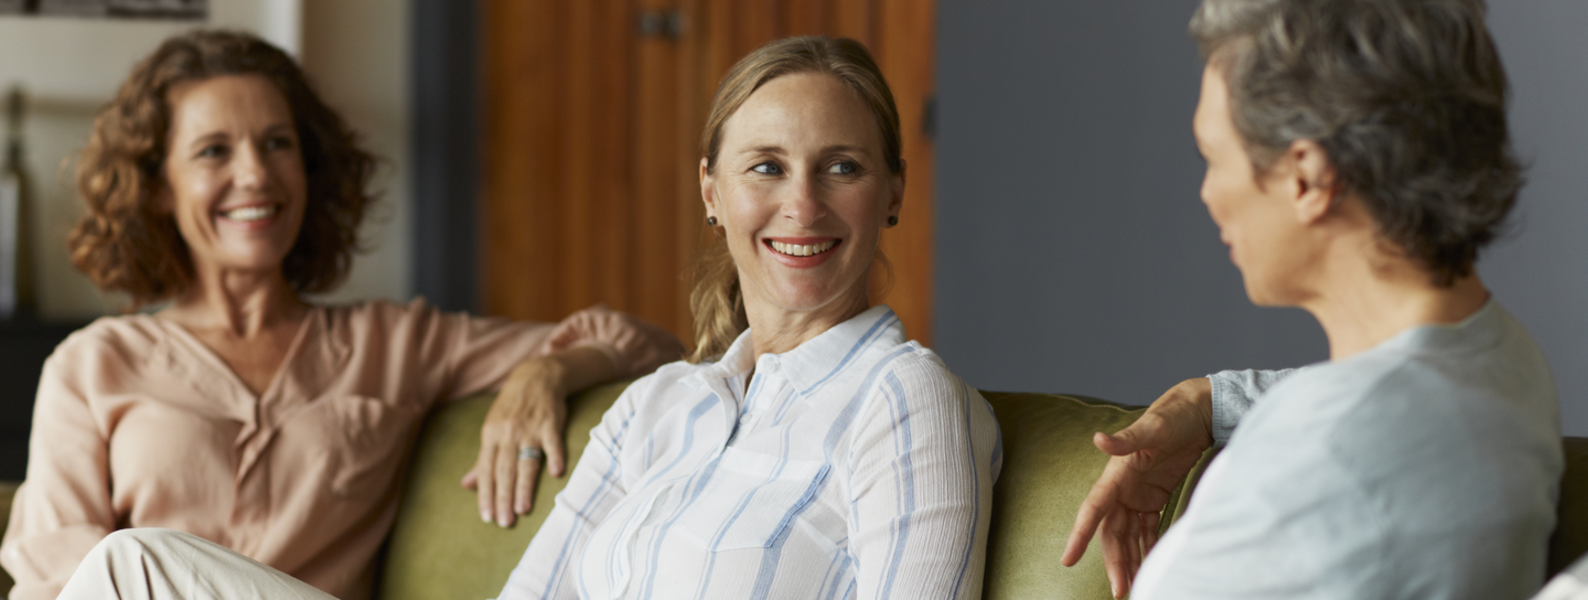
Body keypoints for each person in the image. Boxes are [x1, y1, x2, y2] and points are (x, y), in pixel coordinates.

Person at [49, 35, 1002, 600]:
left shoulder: (903, 397)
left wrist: (549, 365)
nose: (801, 205)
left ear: (892, 193)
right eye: (766, 167)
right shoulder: (662, 407)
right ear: (710, 192)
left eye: (841, 167)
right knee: (127, 569)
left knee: (134, 569)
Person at [0, 30, 683, 600]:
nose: (256, 175)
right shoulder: (94, 363)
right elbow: (56, 576)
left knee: (131, 563)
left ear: (310, 170)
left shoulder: (394, 342)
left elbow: (645, 343)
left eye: (277, 144)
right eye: (215, 150)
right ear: (157, 189)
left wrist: (550, 371)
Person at [1060, 1, 1562, 599]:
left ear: (1309, 177)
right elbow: (1388, 398)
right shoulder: (1502, 356)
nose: (1206, 193)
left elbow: (1346, 439)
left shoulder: (1312, 460)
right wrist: (1212, 402)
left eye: (1213, 158)